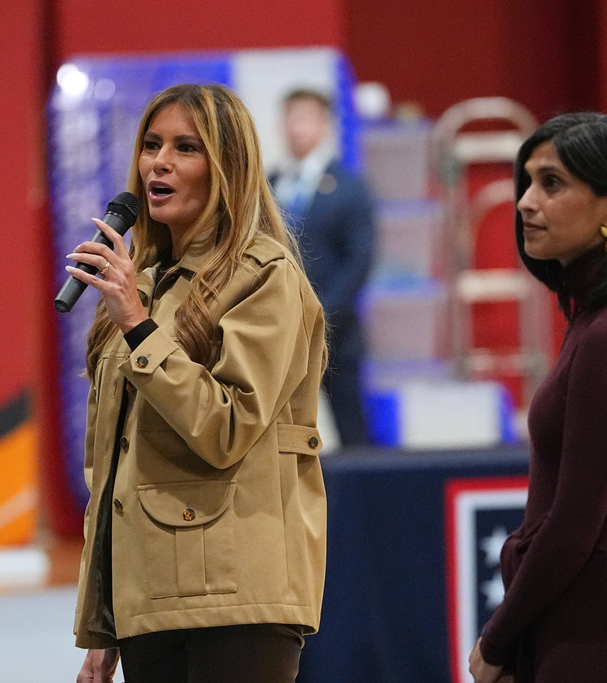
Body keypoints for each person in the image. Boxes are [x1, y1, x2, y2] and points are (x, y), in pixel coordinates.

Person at [68, 83, 328, 683]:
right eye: (152, 145)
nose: (158, 161)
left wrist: (135, 322)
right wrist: (103, 626)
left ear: (228, 168)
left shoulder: (265, 277)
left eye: (186, 148)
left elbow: (226, 427)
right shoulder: (148, 283)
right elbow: (112, 472)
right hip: (150, 602)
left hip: (237, 598)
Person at [469, 113, 607, 683]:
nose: (524, 203)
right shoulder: (599, 323)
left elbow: (574, 524)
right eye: (528, 182)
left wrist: (496, 640)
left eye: (552, 184)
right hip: (577, 619)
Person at [270, 88, 374, 448]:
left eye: (306, 118)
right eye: (290, 118)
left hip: (335, 334)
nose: (297, 128)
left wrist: (317, 316)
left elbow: (358, 262)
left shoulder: (350, 188)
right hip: (276, 336)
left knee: (352, 433)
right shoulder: (266, 185)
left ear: (325, 125)